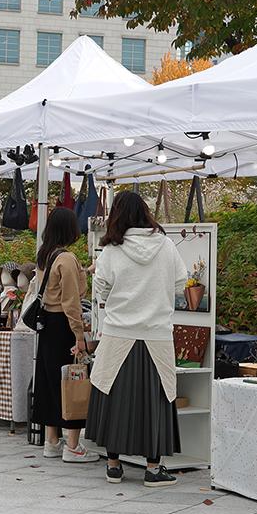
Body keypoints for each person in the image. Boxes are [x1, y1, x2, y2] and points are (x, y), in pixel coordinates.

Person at [86, 191, 188, 487]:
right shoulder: (166, 245)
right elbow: (180, 283)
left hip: (119, 333)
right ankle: (153, 468)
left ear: (116, 215)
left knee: (114, 398)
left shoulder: (111, 251)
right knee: (155, 400)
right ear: (145, 212)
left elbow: (101, 290)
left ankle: (114, 464)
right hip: (156, 334)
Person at [32, 207, 99, 464]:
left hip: (47, 324)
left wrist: (87, 269)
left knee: (50, 381)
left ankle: (51, 441)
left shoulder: (45, 256)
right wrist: (79, 336)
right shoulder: (67, 258)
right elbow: (71, 302)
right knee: (72, 381)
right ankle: (72, 445)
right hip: (63, 325)